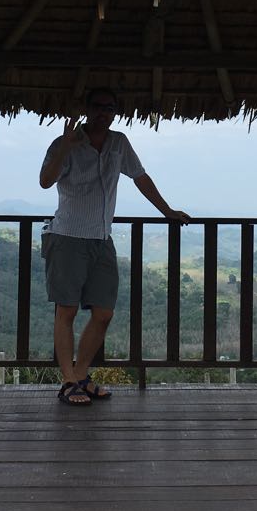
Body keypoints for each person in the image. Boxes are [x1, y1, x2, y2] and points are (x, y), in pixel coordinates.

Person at [39, 88, 190, 405]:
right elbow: (45, 180)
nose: (103, 113)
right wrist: (65, 146)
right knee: (66, 311)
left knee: (104, 313)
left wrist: (167, 211)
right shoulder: (64, 143)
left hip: (101, 239)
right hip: (67, 237)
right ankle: (68, 381)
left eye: (110, 108)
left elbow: (140, 177)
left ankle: (81, 375)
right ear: (86, 108)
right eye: (98, 106)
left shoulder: (119, 143)